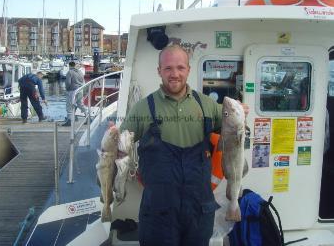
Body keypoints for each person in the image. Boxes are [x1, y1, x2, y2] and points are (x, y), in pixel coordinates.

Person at [119, 44, 249, 246]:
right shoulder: (143, 108)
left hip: (198, 212)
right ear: (159, 71)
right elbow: (119, 146)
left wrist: (241, 114)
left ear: (188, 69)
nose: (175, 74)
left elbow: (233, 132)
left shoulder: (207, 105)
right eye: (168, 68)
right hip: (158, 214)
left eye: (180, 67)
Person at [62, 61, 87, 126]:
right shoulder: (80, 72)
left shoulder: (69, 72)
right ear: (75, 65)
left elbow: (68, 83)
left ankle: (69, 121)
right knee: (80, 104)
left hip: (72, 90)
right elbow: (83, 82)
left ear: (69, 66)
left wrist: (67, 90)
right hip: (80, 90)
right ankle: (88, 117)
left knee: (69, 105)